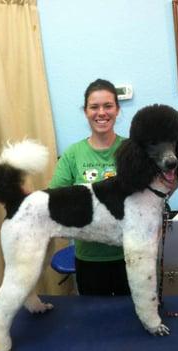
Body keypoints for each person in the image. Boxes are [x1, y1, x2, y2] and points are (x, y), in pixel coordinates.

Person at [49, 79, 130, 295]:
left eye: (108, 106)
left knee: (131, 318)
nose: (101, 113)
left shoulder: (132, 151)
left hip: (130, 255)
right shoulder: (73, 154)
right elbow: (55, 199)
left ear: (117, 110)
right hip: (89, 259)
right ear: (85, 111)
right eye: (94, 107)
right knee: (94, 323)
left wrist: (172, 184)